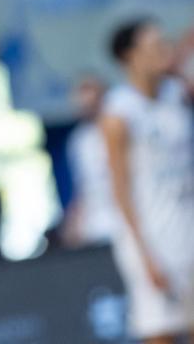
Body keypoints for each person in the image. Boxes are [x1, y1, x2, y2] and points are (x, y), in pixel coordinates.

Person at [101, 19, 194, 344]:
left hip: (187, 227)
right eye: (154, 47)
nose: (163, 52)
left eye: (164, 44)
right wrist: (144, 255)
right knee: (161, 332)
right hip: (152, 238)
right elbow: (120, 189)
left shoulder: (176, 93)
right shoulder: (118, 112)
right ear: (130, 56)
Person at [61, 75, 116, 248]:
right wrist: (74, 218)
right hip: (96, 226)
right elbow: (83, 186)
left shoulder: (123, 129)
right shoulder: (79, 140)